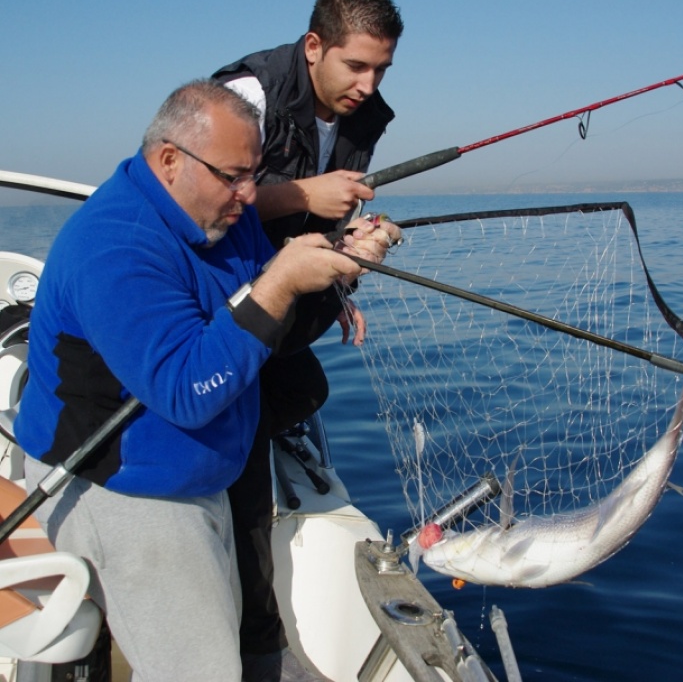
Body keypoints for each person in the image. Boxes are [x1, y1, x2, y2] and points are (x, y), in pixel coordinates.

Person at [14, 79, 401, 682]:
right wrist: (283, 282)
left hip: (204, 471)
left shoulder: (222, 211)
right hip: (128, 486)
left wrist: (334, 258)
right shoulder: (114, 246)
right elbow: (185, 390)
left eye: (255, 172)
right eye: (233, 176)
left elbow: (255, 293)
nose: (251, 195)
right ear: (170, 160)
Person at [211, 0, 404, 677]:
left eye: (381, 68)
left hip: (294, 291)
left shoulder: (365, 115)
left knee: (305, 392)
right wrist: (300, 195)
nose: (368, 83)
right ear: (314, 46)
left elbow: (328, 218)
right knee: (244, 483)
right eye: (357, 65)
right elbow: (192, 203)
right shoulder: (250, 95)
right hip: (225, 303)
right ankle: (250, 635)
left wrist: (350, 254)